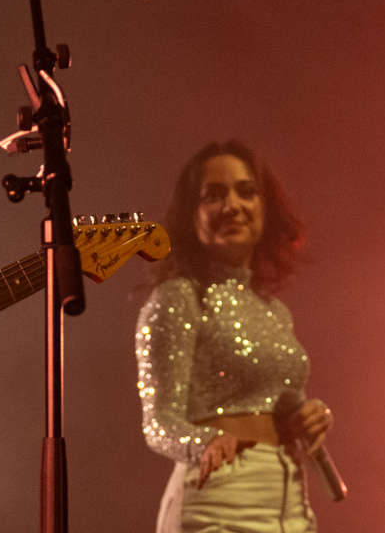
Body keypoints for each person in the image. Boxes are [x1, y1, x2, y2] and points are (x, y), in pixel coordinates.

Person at [134, 140, 335, 533]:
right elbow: (159, 422)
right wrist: (204, 442)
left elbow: (274, 401)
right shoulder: (179, 296)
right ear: (191, 216)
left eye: (246, 191)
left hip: (287, 497)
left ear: (265, 208)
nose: (232, 206)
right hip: (218, 498)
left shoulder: (274, 310)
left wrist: (308, 417)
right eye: (213, 195)